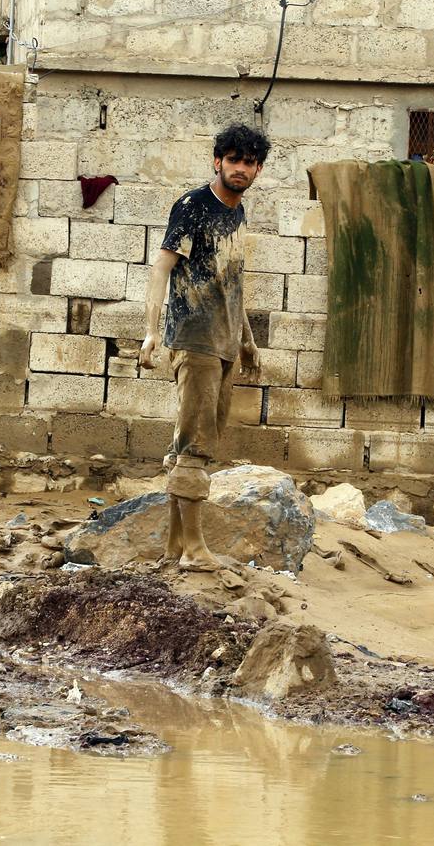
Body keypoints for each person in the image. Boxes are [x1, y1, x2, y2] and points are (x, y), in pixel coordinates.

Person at [140, 123, 269, 572]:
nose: (241, 169)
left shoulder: (237, 213)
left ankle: (175, 546)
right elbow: (162, 267)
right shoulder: (193, 206)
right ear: (217, 161)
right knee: (196, 445)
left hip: (225, 341)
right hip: (195, 338)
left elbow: (231, 281)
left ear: (257, 169)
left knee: (191, 443)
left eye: (250, 162)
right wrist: (151, 330)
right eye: (234, 160)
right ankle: (195, 550)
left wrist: (248, 340)